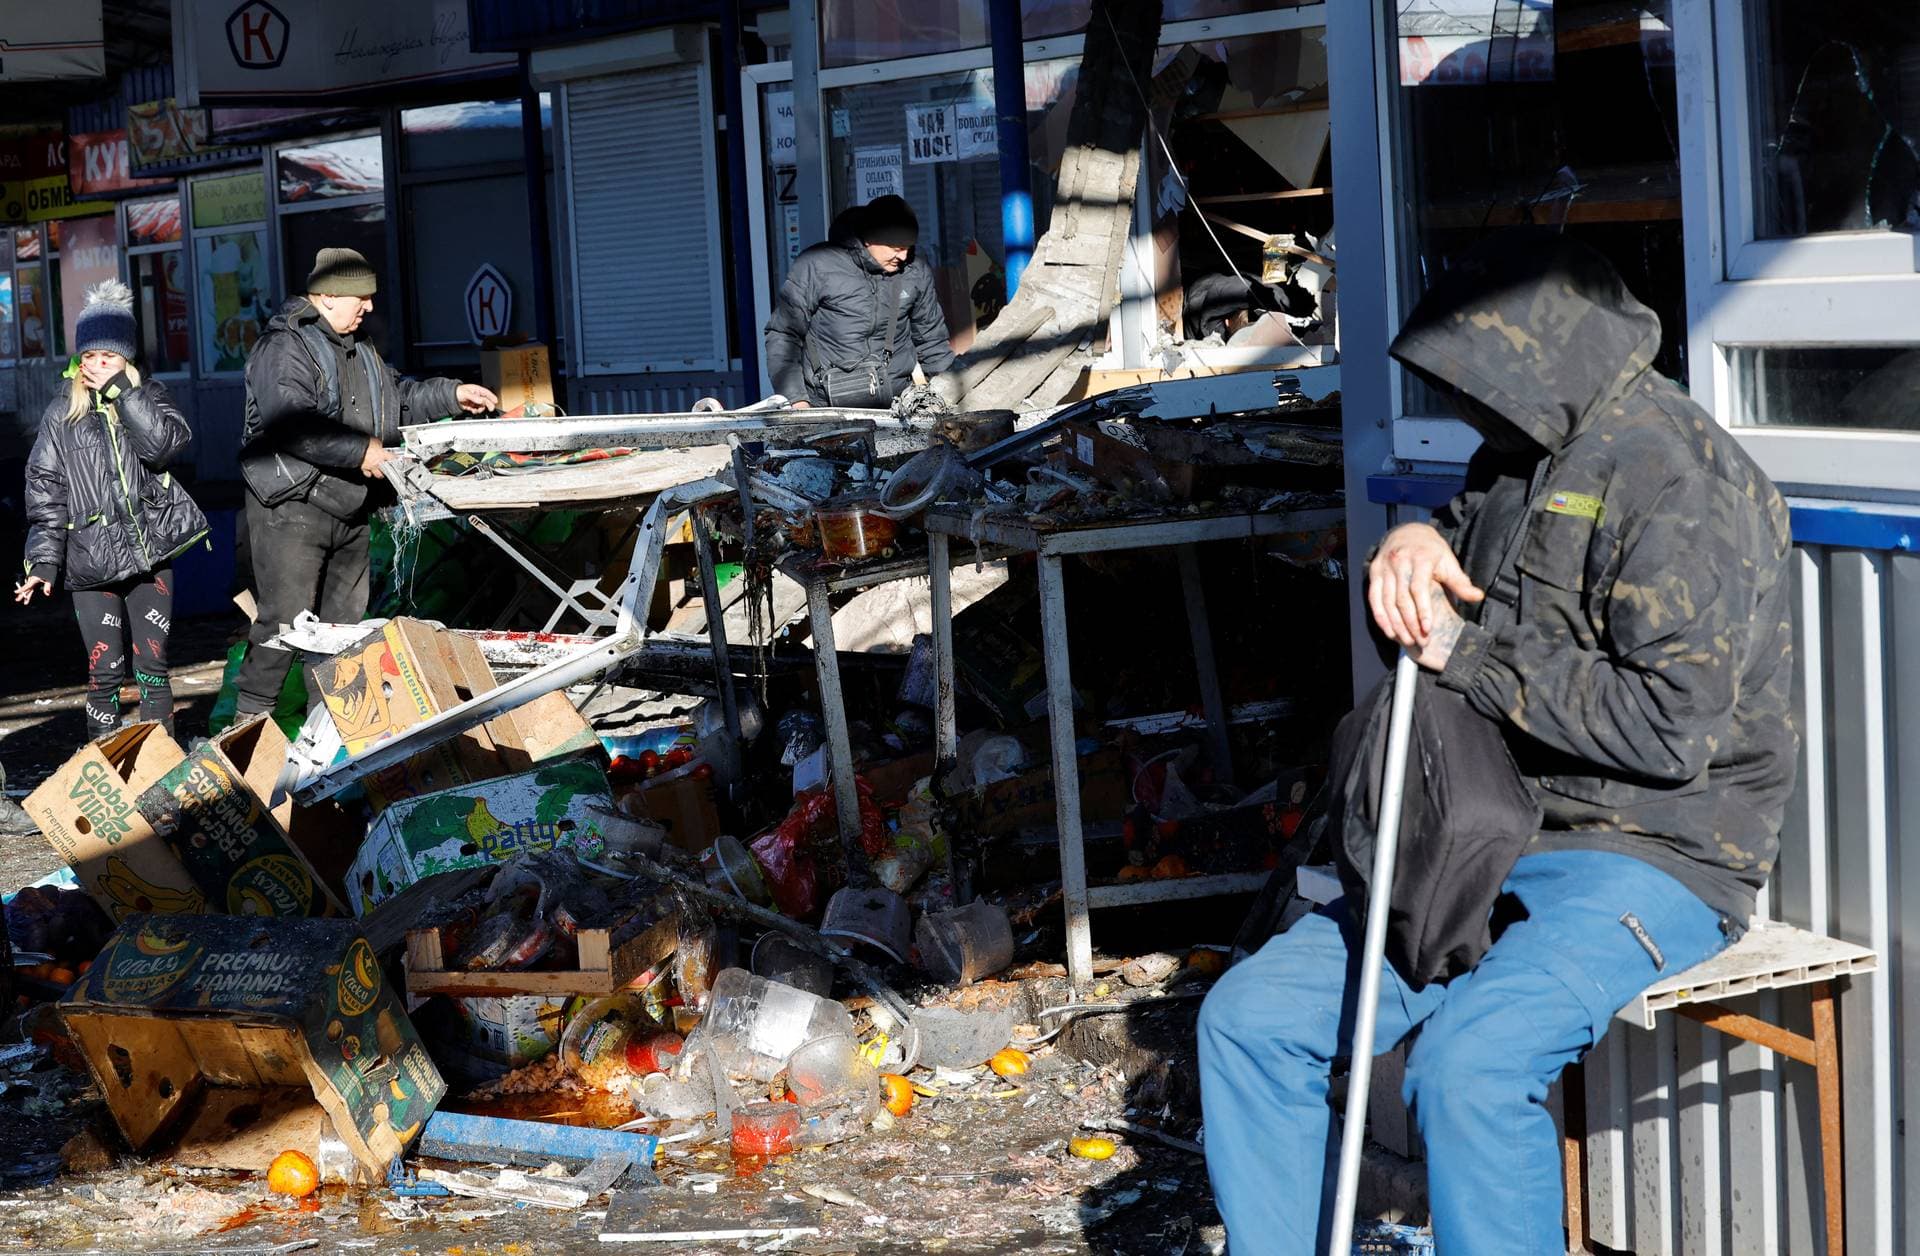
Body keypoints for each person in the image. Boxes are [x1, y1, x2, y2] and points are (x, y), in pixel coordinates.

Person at [1197, 231, 1798, 1254]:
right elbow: (1458, 570)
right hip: (1486, 832)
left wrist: (1464, 651)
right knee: (1248, 1022)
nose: (1464, 408)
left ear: (1539, 356)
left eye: (1474, 381)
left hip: (1652, 849)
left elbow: (1668, 730)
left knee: (1467, 1070)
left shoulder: (1679, 480)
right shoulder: (1527, 450)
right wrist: (1414, 541)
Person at [233, 248, 496, 718]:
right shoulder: (284, 347)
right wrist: (363, 451)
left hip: (350, 505)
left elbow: (399, 398)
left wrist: (453, 394)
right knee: (283, 626)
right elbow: (292, 423)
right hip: (291, 507)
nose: (370, 306)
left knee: (342, 635)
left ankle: (330, 735)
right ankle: (246, 734)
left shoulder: (360, 346)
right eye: (362, 297)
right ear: (329, 296)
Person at [17, 280, 208, 739]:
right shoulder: (61, 413)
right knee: (104, 674)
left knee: (153, 669)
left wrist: (124, 393)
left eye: (109, 356)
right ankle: (105, 763)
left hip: (149, 558)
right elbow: (45, 489)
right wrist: (43, 562)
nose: (98, 365)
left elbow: (165, 446)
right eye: (90, 356)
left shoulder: (149, 395)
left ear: (126, 359)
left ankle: (160, 764)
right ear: (79, 360)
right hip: (91, 564)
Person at [765, 195, 956, 408]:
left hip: (898, 404)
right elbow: (783, 334)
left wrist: (947, 395)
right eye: (896, 248)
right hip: (827, 405)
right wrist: (797, 400)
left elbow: (932, 340)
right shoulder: (816, 266)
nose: (903, 256)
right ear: (869, 240)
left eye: (908, 247)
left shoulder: (915, 272)